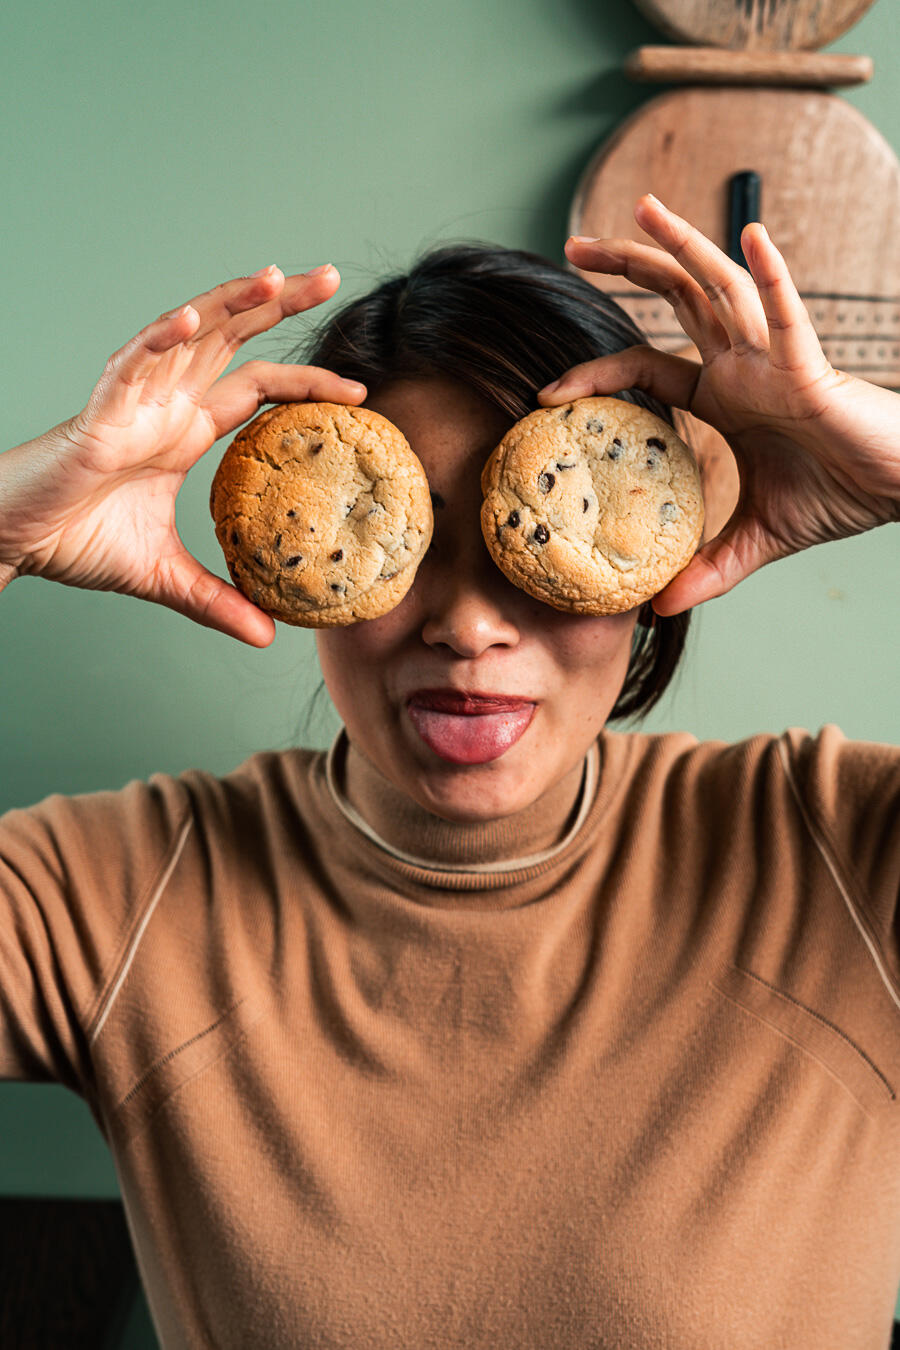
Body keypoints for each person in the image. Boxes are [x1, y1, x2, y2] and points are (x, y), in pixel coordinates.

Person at [1, 195, 898, 1349]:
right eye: (407, 535)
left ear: (652, 539)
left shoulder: (839, 854)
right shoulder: (114, 899)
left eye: (530, 535)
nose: (470, 625)